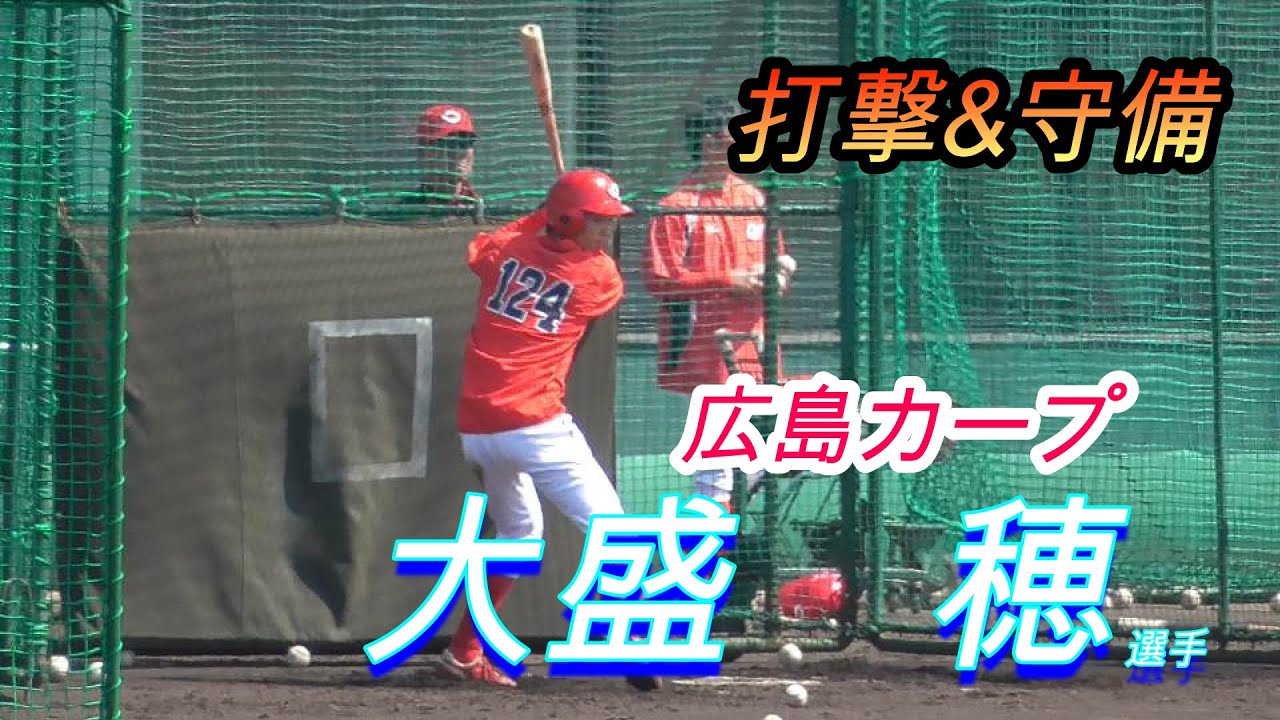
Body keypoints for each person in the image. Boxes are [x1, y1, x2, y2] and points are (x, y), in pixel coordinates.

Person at [439, 168, 659, 693]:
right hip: (534, 424)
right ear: (568, 219)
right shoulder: (598, 276)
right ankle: (625, 639)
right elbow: (584, 277)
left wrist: (547, 216)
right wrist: (558, 221)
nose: (608, 229)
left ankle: (464, 653)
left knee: (519, 535)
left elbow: (485, 246)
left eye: (610, 220)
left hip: (479, 428)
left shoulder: (503, 252)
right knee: (616, 531)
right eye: (598, 220)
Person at [642, 97, 798, 515]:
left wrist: (776, 280)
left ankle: (728, 532)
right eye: (730, 136)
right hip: (704, 348)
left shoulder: (754, 199)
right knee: (717, 462)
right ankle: (710, 542)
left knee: (760, 450)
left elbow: (778, 264)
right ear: (708, 141)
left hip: (757, 346)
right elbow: (660, 279)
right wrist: (729, 280)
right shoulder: (677, 204)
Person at [408, 104, 483, 219]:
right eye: (449, 143)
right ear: (423, 153)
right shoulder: (402, 212)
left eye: (465, 143)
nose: (458, 151)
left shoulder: (494, 210)